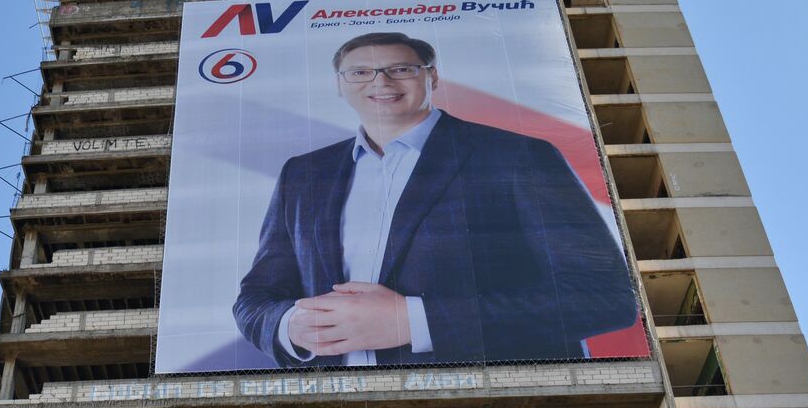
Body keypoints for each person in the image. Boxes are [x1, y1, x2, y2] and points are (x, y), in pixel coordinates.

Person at [233, 31, 637, 369]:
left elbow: (603, 296)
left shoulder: (517, 156)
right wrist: (288, 326)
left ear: (433, 77)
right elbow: (255, 298)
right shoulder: (303, 174)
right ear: (339, 85)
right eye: (360, 72)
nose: (381, 82)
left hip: (494, 402)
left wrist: (413, 321)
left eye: (401, 69)